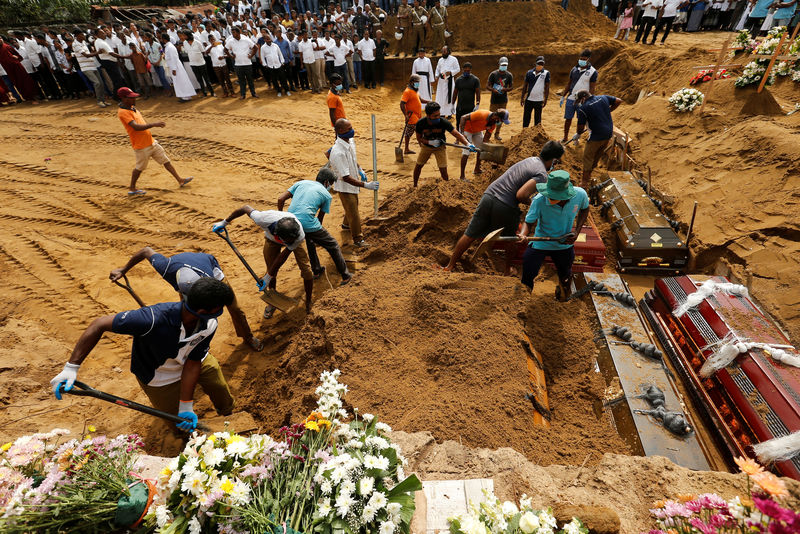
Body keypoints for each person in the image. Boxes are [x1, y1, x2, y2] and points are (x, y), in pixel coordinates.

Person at [50, 277, 237, 433]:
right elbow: (99, 324)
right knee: (177, 422)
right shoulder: (152, 319)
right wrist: (71, 368)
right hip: (159, 376)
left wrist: (186, 405)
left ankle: (229, 415)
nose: (220, 313)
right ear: (203, 311)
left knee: (217, 383)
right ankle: (185, 441)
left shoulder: (209, 324)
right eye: (218, 309)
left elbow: (194, 361)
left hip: (191, 360)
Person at [442, 140, 565, 272]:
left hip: (489, 195)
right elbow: (521, 195)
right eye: (556, 162)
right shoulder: (541, 174)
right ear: (553, 160)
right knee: (511, 239)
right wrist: (533, 202)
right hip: (505, 204)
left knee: (470, 234)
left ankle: (450, 265)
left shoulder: (531, 160)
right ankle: (507, 269)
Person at [109, 247, 263, 351]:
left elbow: (218, 296)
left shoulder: (211, 280)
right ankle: (190, 346)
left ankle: (247, 336)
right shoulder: (165, 267)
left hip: (210, 270)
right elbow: (146, 251)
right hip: (186, 274)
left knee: (235, 308)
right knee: (188, 315)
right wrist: (123, 269)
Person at [213, 205, 314, 317]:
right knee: (270, 268)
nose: (288, 243)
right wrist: (225, 222)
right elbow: (245, 208)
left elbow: (283, 256)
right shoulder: (262, 218)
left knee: (306, 270)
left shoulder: (298, 236)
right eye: (286, 241)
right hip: (271, 240)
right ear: (278, 235)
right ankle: (273, 301)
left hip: (294, 242)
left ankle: (309, 302)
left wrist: (268, 275)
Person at [518, 170, 589, 299]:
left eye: (554, 196)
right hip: (541, 242)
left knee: (565, 274)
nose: (550, 198)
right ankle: (524, 299)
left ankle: (563, 297)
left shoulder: (580, 195)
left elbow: (585, 209)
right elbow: (528, 222)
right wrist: (523, 234)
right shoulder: (539, 200)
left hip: (563, 243)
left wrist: (577, 231)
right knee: (528, 269)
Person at [277, 168, 353, 283]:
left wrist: (281, 215)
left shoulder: (300, 183)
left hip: (291, 222)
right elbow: (319, 219)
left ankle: (316, 270)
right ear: (327, 182)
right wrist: (317, 235)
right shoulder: (326, 195)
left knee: (310, 241)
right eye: (331, 184)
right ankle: (346, 275)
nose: (330, 186)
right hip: (308, 223)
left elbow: (280, 199)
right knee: (333, 245)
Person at [117, 87, 193, 195]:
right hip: (141, 146)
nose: (134, 100)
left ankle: (180, 180)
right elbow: (136, 127)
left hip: (150, 142)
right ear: (123, 98)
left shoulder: (133, 108)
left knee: (165, 160)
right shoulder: (123, 112)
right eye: (131, 98)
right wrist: (153, 124)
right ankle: (132, 188)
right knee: (139, 168)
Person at [329, 118, 380, 247]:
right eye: (349, 129)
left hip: (353, 181)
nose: (352, 131)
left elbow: (353, 158)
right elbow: (345, 177)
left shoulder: (350, 142)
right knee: (354, 212)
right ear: (340, 131)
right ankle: (358, 239)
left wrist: (359, 169)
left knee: (353, 206)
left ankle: (346, 225)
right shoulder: (338, 152)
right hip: (345, 186)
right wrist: (366, 185)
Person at [412, 101, 473, 187]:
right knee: (419, 165)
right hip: (426, 147)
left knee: (443, 169)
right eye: (435, 116)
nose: (438, 117)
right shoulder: (420, 124)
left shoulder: (443, 122)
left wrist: (467, 144)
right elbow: (419, 138)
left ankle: (446, 188)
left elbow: (456, 134)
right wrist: (429, 142)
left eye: (439, 114)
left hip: (440, 147)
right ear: (428, 115)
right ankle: (414, 185)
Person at [572, 90, 622, 187]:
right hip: (608, 134)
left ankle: (584, 182)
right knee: (596, 156)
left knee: (587, 157)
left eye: (579, 101)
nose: (580, 103)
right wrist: (608, 110)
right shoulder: (603, 97)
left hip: (596, 136)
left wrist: (578, 134)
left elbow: (580, 127)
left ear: (583, 98)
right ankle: (589, 175)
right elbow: (619, 100)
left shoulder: (584, 108)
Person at [458, 109, 510, 180]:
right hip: (467, 130)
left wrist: (487, 148)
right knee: (466, 152)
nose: (501, 122)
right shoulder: (482, 114)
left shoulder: (493, 125)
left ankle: (477, 169)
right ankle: (462, 176)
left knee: (481, 149)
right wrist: (462, 134)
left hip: (477, 131)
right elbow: (463, 118)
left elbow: (486, 139)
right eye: (501, 120)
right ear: (497, 117)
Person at [560, 49, 597, 143]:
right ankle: (565, 137)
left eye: (584, 59)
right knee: (568, 119)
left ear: (588, 59)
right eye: (580, 58)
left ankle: (577, 138)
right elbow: (569, 83)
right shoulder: (574, 69)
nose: (581, 60)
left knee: (580, 120)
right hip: (571, 98)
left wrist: (589, 99)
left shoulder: (593, 72)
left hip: (582, 100)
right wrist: (563, 96)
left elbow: (592, 87)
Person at [160, 32, 195, 102]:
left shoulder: (170, 47)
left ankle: (186, 96)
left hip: (176, 67)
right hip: (174, 67)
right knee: (178, 82)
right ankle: (183, 96)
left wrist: (174, 69)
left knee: (181, 81)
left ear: (164, 39)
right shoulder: (168, 46)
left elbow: (174, 58)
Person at [226, 26, 259, 99]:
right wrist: (231, 56)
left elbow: (255, 47)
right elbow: (225, 49)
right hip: (238, 64)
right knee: (241, 81)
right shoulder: (231, 41)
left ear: (238, 32)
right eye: (232, 32)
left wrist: (251, 55)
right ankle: (243, 94)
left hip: (247, 63)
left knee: (250, 80)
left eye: (234, 32)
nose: (232, 34)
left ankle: (253, 93)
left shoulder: (246, 39)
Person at [486, 56, 513, 141]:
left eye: (505, 65)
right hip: (494, 100)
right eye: (502, 65)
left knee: (501, 118)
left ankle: (497, 134)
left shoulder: (509, 75)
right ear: (499, 64)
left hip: (503, 100)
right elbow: (487, 86)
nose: (504, 66)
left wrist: (506, 89)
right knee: (491, 117)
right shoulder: (493, 74)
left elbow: (511, 87)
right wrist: (493, 90)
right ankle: (488, 133)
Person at [520, 56, 550, 128]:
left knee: (537, 119)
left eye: (542, 64)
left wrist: (545, 99)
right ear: (535, 63)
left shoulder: (546, 73)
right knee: (526, 118)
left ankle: (536, 135)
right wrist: (522, 98)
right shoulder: (529, 73)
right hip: (529, 99)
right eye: (539, 63)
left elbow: (547, 87)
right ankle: (524, 133)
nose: (540, 65)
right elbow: (525, 86)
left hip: (539, 100)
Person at [182, 31, 214, 96]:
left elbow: (203, 52)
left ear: (189, 35)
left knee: (206, 79)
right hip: (193, 64)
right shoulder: (185, 43)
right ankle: (204, 93)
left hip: (201, 63)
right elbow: (186, 51)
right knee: (199, 79)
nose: (184, 37)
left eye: (185, 36)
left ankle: (212, 92)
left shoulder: (197, 43)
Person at [400, 74, 426, 154]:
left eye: (418, 82)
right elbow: (402, 104)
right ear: (411, 82)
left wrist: (429, 102)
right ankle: (423, 149)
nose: (418, 83)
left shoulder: (415, 90)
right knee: (419, 131)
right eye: (416, 82)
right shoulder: (407, 91)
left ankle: (407, 149)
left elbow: (420, 100)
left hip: (418, 115)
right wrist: (406, 115)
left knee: (409, 133)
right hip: (412, 116)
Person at [452, 61, 480, 128]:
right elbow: (455, 92)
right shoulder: (458, 80)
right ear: (462, 69)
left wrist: (477, 104)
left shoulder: (475, 80)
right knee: (458, 123)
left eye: (468, 70)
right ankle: (459, 137)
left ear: (471, 70)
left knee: (469, 123)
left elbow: (478, 93)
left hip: (470, 107)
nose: (466, 72)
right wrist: (452, 104)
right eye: (465, 70)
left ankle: (468, 138)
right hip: (460, 107)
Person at [435, 46, 459, 118]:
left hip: (449, 81)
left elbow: (458, 69)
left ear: (448, 51)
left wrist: (451, 72)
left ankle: (449, 113)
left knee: (450, 96)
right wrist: (436, 76)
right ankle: (441, 113)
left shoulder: (454, 59)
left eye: (444, 51)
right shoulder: (440, 60)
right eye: (442, 51)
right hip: (441, 82)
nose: (443, 53)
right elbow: (437, 69)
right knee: (441, 97)